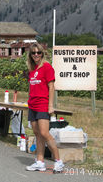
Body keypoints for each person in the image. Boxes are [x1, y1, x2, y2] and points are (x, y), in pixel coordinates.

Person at [25, 43, 64, 173]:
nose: (36, 55)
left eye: (38, 53)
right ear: (30, 55)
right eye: (33, 53)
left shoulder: (47, 67)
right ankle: (40, 162)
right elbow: (33, 86)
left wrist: (50, 105)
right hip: (32, 105)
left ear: (42, 54)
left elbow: (51, 87)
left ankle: (59, 161)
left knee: (44, 133)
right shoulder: (32, 69)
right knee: (37, 134)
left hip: (43, 104)